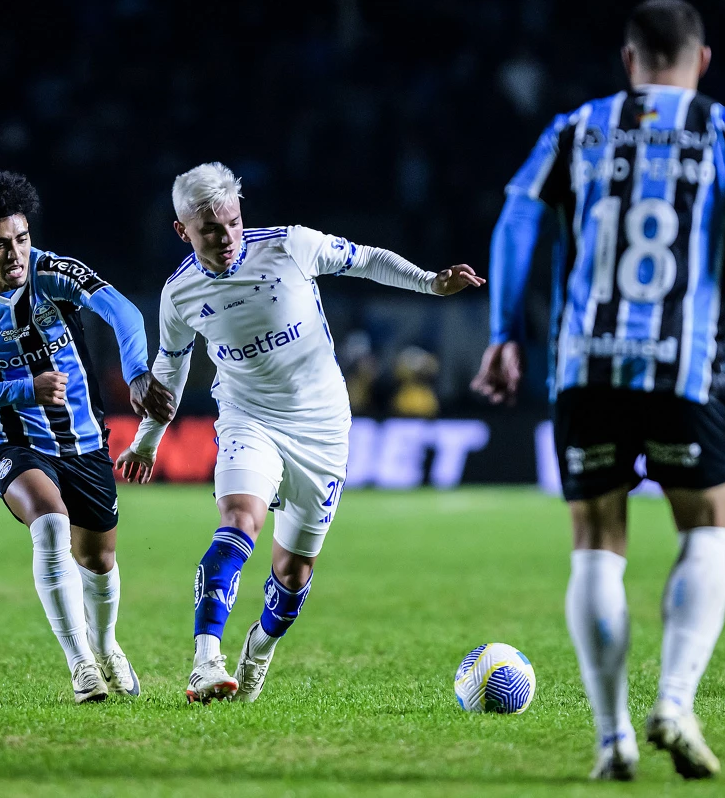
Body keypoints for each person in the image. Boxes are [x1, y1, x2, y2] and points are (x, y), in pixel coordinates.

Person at [472, 0, 725, 781]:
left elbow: (517, 216)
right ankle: (674, 699)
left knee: (597, 544)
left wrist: (503, 332)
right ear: (701, 61)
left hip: (584, 365)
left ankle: (611, 739)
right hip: (684, 365)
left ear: (629, 61)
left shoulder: (574, 128)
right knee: (708, 527)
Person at [117, 162, 484, 704]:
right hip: (248, 416)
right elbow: (168, 374)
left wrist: (430, 282)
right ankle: (205, 661)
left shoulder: (292, 247)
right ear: (183, 231)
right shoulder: (181, 294)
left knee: (292, 574)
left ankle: (257, 652)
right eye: (210, 230)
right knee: (240, 519)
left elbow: (367, 261)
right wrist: (147, 441)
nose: (226, 238)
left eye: (233, 223)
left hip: (322, 427)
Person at [0, 171, 174, 704]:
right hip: (10, 445)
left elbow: (125, 313)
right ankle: (81, 664)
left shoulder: (55, 273)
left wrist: (136, 373)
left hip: (83, 443)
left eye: (21, 238)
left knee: (99, 560)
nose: (15, 253)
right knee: (49, 521)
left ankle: (107, 647)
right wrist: (23, 390)